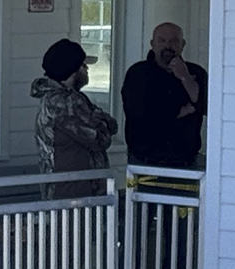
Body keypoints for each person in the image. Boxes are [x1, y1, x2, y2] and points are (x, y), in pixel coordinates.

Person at [31, 38, 117, 198]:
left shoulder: (50, 98)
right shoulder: (67, 103)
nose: (87, 70)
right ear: (73, 70)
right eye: (84, 66)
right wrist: (102, 122)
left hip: (62, 188)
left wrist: (101, 120)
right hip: (76, 192)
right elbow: (100, 139)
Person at [121, 22, 208, 169]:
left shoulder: (196, 72)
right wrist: (184, 110)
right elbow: (141, 114)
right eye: (162, 41)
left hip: (186, 159)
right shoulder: (139, 73)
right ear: (152, 44)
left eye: (174, 41)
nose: (168, 46)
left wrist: (185, 77)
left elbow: (206, 106)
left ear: (183, 44)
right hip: (144, 159)